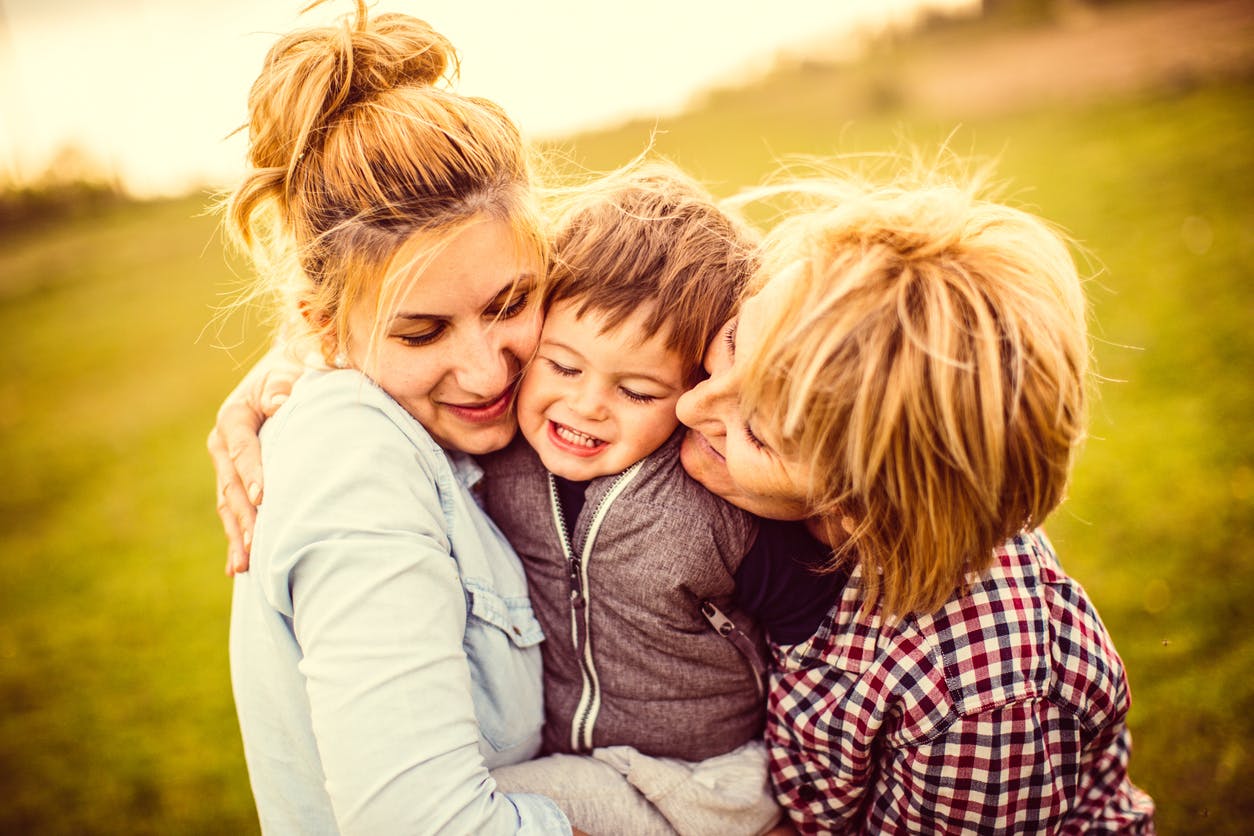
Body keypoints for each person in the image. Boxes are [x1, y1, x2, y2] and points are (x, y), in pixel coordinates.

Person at [674, 167, 1157, 832]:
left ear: (867, 506)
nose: (690, 403)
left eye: (758, 432)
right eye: (735, 340)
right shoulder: (787, 505)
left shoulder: (985, 700)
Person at [217, 2, 572, 832]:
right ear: (322, 325)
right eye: (423, 331)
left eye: (510, 302)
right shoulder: (353, 464)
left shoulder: (401, 410)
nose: (489, 371)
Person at [478, 161, 785, 835]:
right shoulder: (496, 447)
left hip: (705, 784)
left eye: (639, 392)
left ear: (696, 390)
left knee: (464, 805)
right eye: (561, 366)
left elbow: (813, 620)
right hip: (578, 757)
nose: (586, 405)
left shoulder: (717, 500)